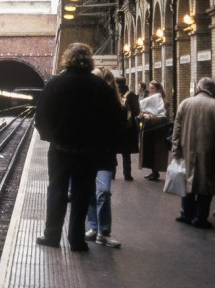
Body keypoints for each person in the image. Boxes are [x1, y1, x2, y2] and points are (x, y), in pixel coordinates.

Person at [34, 43, 125, 251]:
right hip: (88, 152)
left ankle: (52, 235)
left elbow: (40, 117)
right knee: (82, 194)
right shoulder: (99, 86)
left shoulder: (55, 84)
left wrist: (51, 137)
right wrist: (100, 143)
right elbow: (115, 119)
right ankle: (76, 240)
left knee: (56, 191)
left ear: (67, 58)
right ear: (90, 60)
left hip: (60, 150)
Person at [170, 77, 215, 228]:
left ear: (199, 88)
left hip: (186, 150)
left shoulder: (185, 103)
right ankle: (200, 218)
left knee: (187, 182)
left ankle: (185, 214)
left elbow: (176, 130)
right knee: (205, 186)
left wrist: (176, 151)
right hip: (209, 153)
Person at [85, 69, 125, 248]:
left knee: (103, 192)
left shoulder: (114, 104)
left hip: (104, 155)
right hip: (87, 154)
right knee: (91, 194)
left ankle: (104, 232)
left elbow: (119, 128)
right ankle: (94, 228)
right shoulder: (87, 100)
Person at [139, 80, 170, 181]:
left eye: (152, 88)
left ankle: (155, 172)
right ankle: (153, 171)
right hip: (151, 131)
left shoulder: (163, 101)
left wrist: (150, 116)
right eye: (150, 88)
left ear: (157, 89)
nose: (150, 90)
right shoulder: (150, 100)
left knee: (156, 153)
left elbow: (163, 117)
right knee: (150, 152)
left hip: (158, 132)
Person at [116, 76, 140, 181]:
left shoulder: (114, 94)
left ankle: (112, 173)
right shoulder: (133, 96)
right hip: (128, 129)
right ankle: (127, 175)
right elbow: (137, 112)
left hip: (116, 127)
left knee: (113, 152)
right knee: (126, 154)